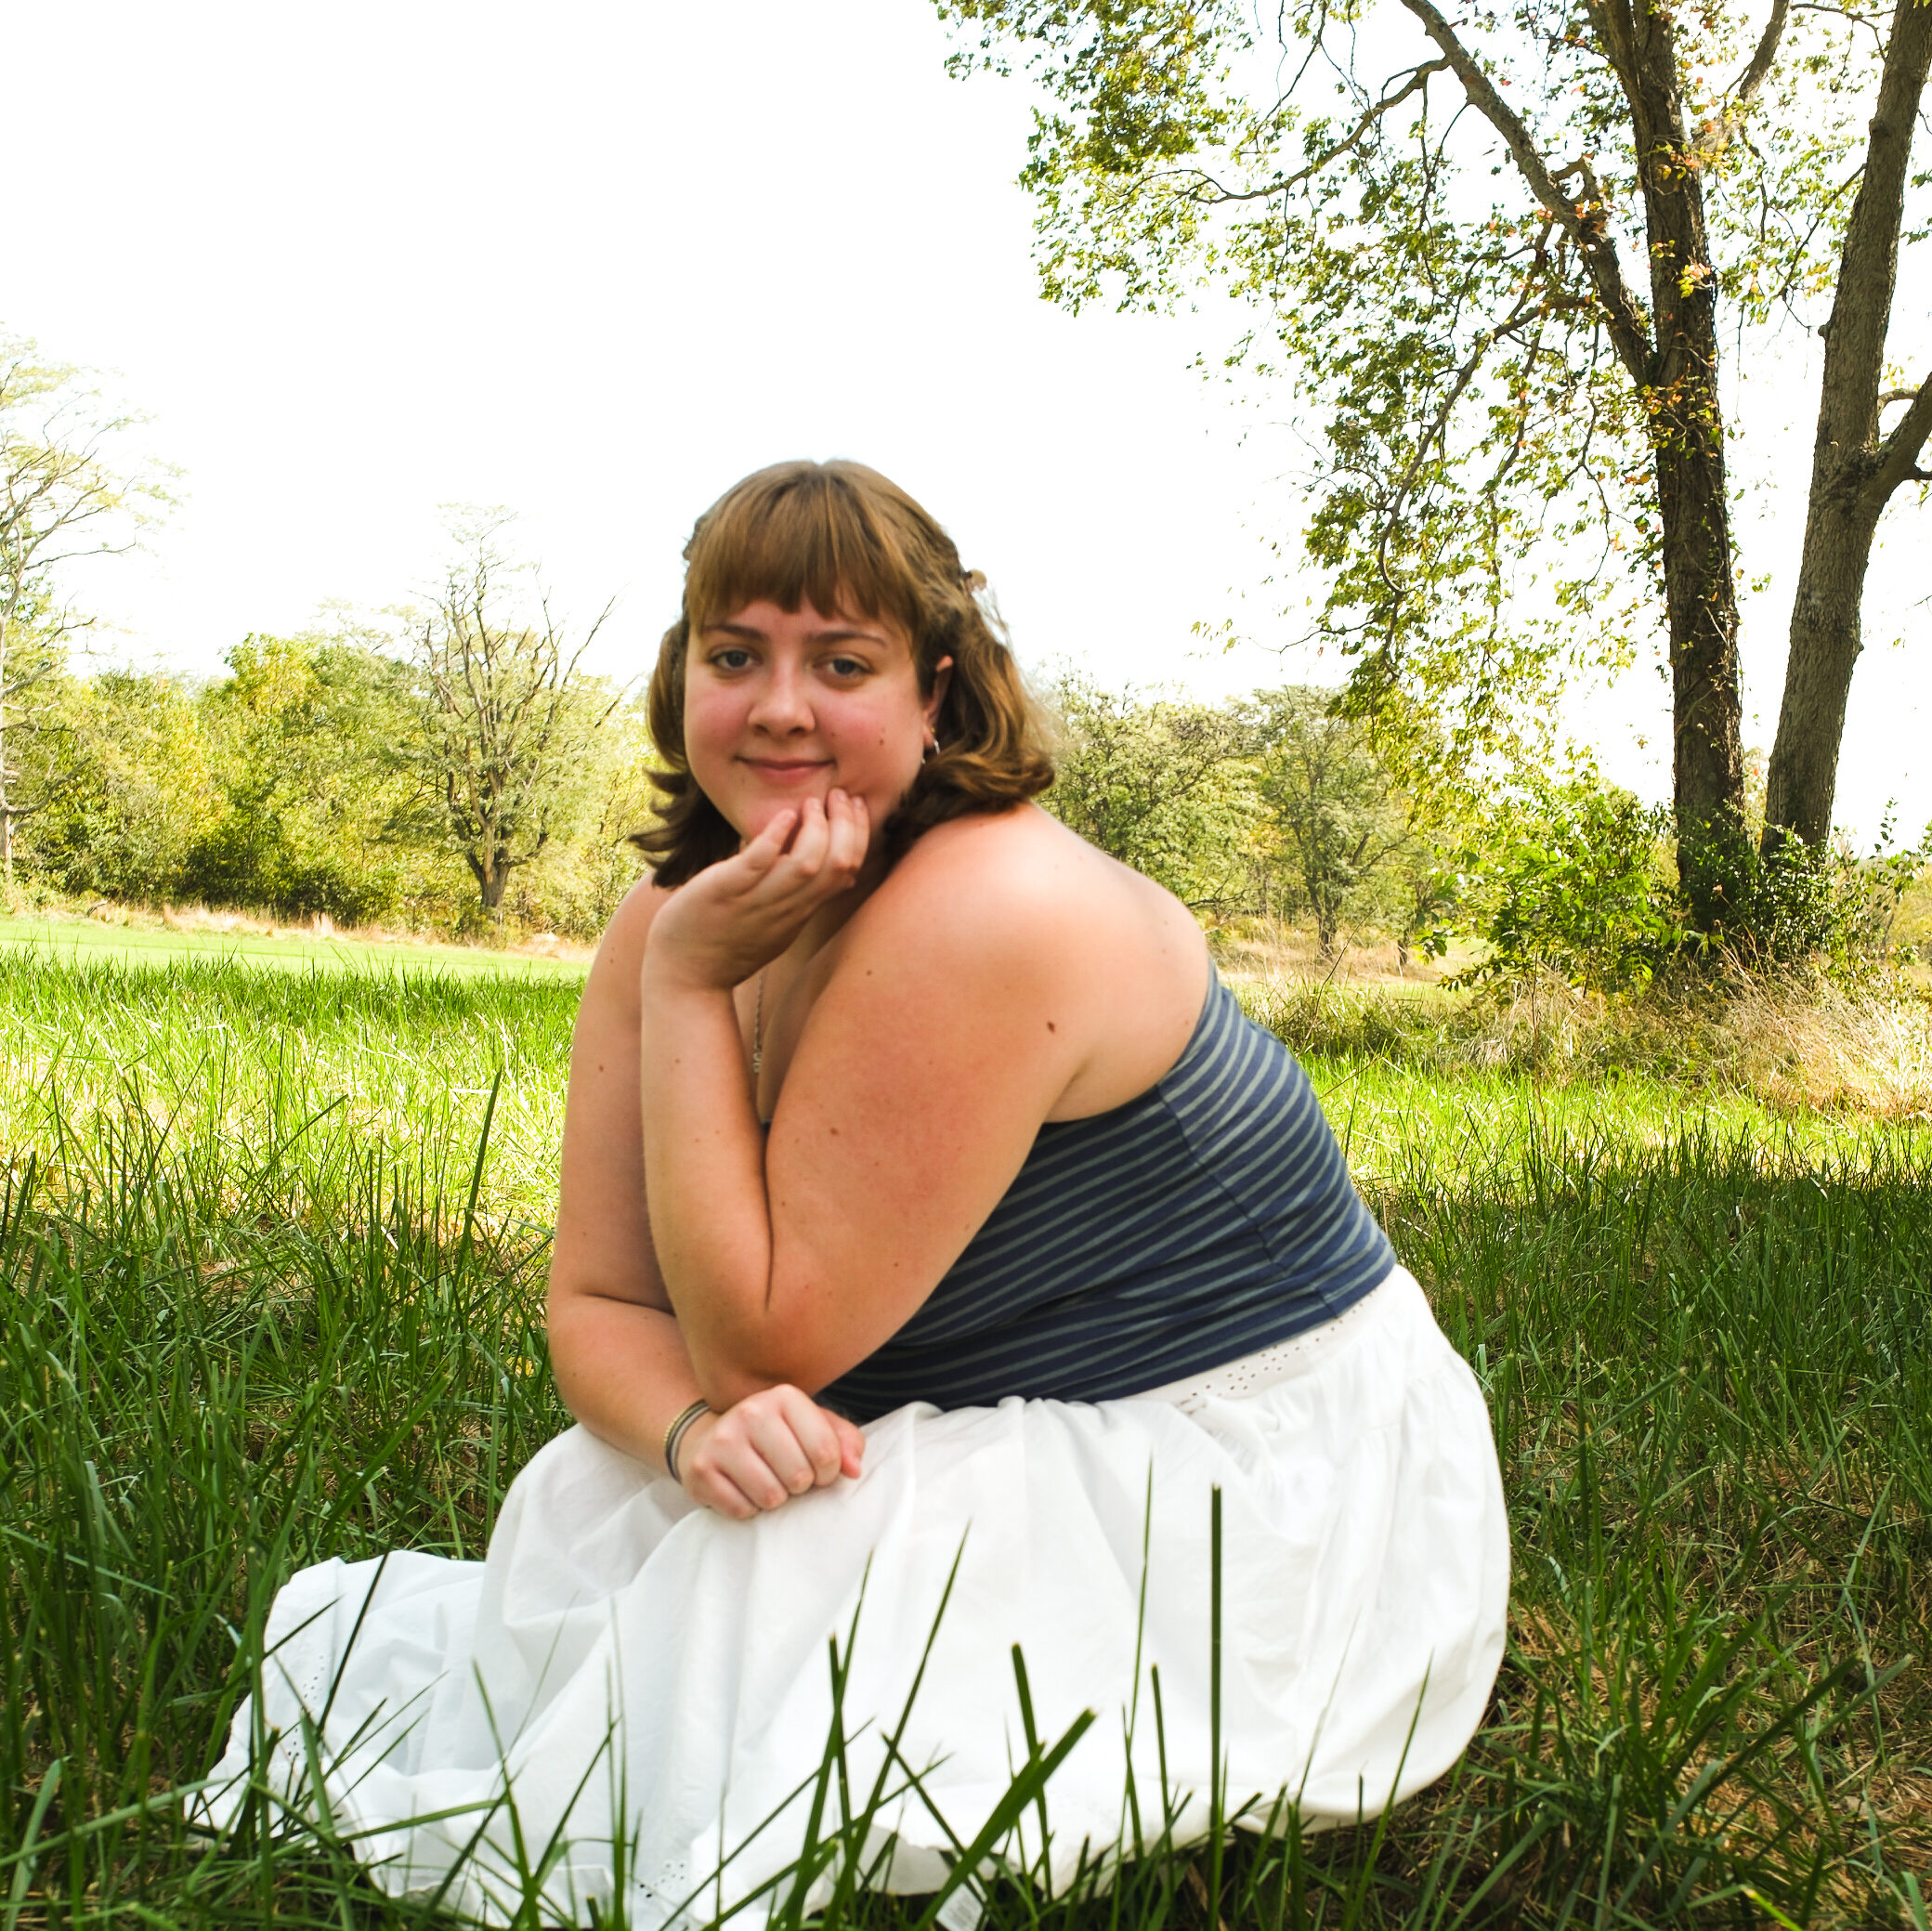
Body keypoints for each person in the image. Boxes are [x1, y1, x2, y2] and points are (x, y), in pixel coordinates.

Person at [207, 461, 1508, 1927]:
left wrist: (699, 991)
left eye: (842, 663)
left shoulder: (984, 906)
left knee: (755, 1610)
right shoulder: (674, 919)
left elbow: (769, 1342)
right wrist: (693, 1430)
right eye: (734, 655)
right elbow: (602, 1305)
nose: (778, 706)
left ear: (938, 693)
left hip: (1245, 1474)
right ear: (678, 678)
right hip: (953, 1402)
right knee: (618, 1507)